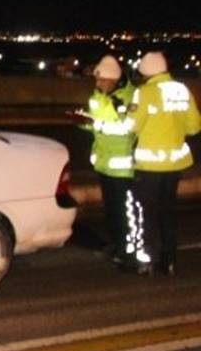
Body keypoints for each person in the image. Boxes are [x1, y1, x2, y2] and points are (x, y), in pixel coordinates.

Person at [123, 52, 200, 276]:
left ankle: (148, 259)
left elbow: (131, 126)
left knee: (147, 213)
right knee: (168, 211)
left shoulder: (144, 93)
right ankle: (170, 260)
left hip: (150, 166)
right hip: (174, 164)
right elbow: (195, 126)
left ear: (146, 72)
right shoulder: (182, 90)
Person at [77, 55, 136, 263]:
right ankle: (116, 244)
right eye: (97, 80)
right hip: (104, 163)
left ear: (113, 79)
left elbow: (128, 129)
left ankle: (127, 249)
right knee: (111, 210)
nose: (98, 84)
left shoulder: (130, 98)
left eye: (102, 80)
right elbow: (96, 123)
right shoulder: (98, 96)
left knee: (123, 212)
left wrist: (99, 125)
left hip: (122, 167)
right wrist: (84, 121)